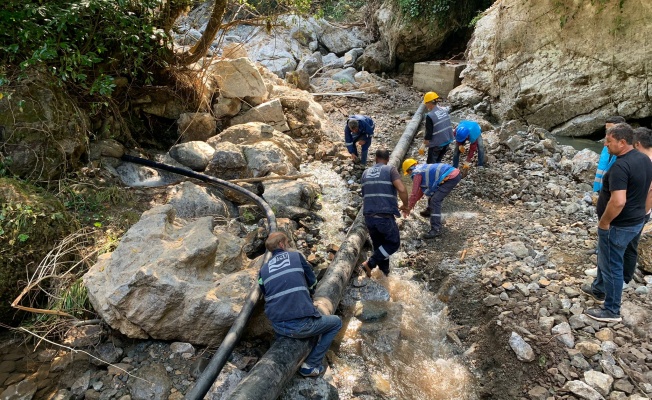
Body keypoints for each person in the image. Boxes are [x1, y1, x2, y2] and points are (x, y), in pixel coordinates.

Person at [582, 123, 652, 322]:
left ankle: (612, 310)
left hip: (618, 225)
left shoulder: (621, 166)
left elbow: (618, 201)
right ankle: (598, 289)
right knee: (609, 258)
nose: (605, 145)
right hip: (637, 219)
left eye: (609, 141)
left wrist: (604, 223)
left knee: (612, 264)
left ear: (622, 142)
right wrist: (644, 214)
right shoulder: (644, 159)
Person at [258, 232, 342, 377]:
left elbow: (266, 292)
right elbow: (312, 282)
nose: (289, 245)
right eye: (288, 243)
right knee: (336, 322)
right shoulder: (296, 257)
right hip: (299, 325)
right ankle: (311, 365)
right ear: (282, 245)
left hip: (277, 326)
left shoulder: (263, 270)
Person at [359, 149, 409, 277]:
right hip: (384, 216)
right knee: (393, 243)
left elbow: (365, 195)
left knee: (380, 247)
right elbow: (402, 189)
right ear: (387, 160)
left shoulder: (365, 173)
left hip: (369, 217)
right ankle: (369, 264)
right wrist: (405, 205)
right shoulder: (390, 170)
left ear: (376, 158)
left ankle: (384, 274)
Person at [402, 158, 461, 239]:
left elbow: (414, 193)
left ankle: (436, 229)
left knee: (435, 200)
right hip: (453, 174)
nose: (409, 175)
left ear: (409, 171)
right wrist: (411, 204)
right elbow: (420, 192)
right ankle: (430, 211)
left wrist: (408, 207)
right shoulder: (422, 168)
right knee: (433, 194)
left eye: (408, 173)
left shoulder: (416, 173)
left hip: (451, 177)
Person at [623, 127, 652, 284]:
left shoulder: (648, 162)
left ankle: (624, 279)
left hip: (639, 212)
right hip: (640, 211)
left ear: (638, 144)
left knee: (629, 245)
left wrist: (643, 214)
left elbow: (650, 192)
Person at [593, 116, 626, 192]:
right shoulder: (606, 147)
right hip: (599, 190)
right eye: (607, 130)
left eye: (611, 130)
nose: (607, 134)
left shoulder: (625, 151)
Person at [422, 92, 454, 164]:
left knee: (431, 165)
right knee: (438, 162)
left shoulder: (430, 116)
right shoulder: (444, 110)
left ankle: (433, 174)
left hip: (437, 144)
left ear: (430, 103)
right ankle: (438, 174)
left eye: (426, 103)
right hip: (447, 141)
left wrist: (423, 146)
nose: (426, 105)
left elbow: (429, 134)